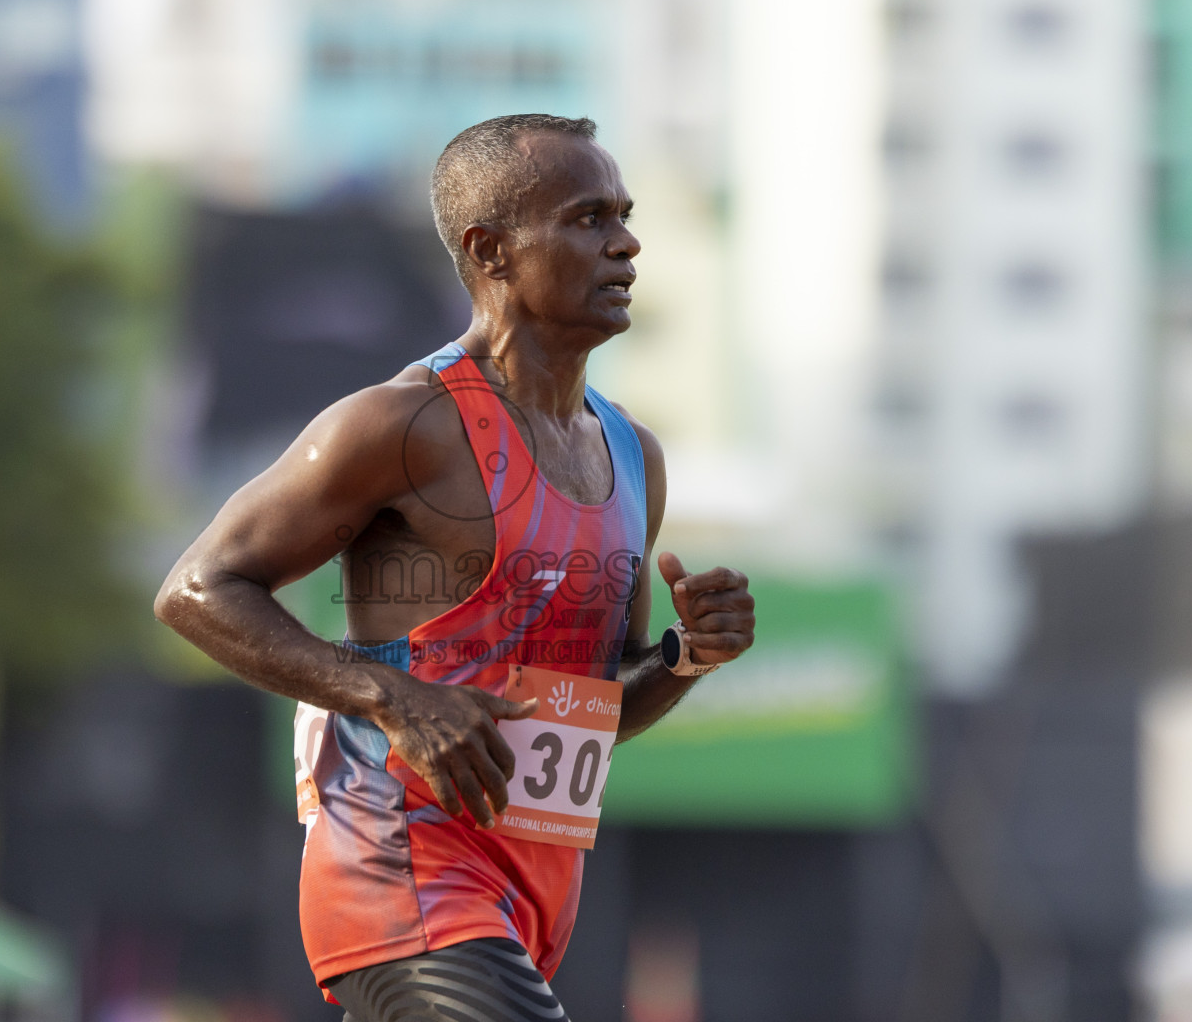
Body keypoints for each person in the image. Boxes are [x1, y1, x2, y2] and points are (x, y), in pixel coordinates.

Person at [155, 113, 756, 1021]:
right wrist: (388, 696)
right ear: (493, 249)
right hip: (400, 876)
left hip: (531, 897)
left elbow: (584, 710)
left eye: (625, 216)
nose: (627, 243)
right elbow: (197, 590)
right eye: (589, 219)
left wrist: (684, 659)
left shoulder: (635, 455)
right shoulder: (402, 425)